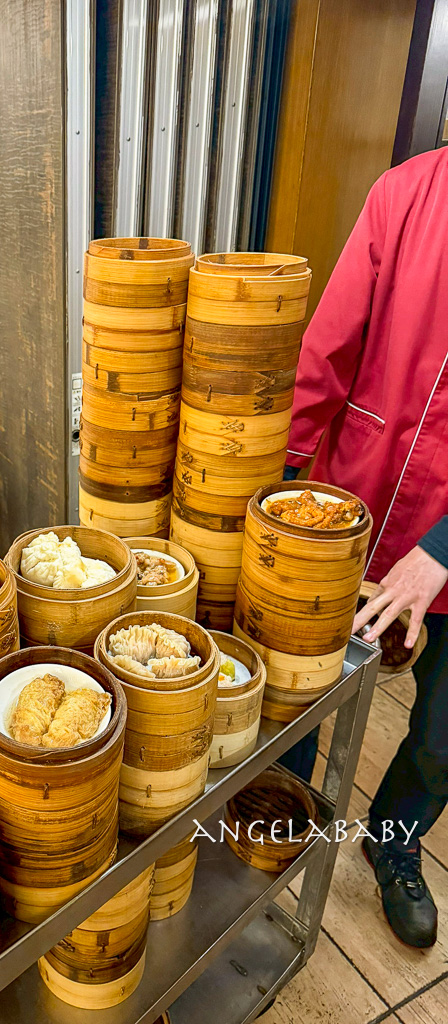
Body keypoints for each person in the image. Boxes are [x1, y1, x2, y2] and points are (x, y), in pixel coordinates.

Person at [279, 146, 448, 950]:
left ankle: (396, 842)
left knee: (445, 733)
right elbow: (331, 342)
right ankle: (275, 817)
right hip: (364, 493)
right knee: (310, 682)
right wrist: (273, 478)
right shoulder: (407, 193)